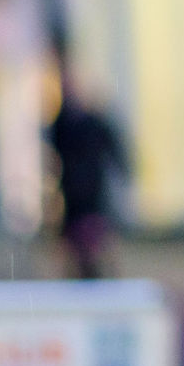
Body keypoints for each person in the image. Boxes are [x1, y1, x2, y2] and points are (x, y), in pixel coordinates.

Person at [47, 69, 129, 279]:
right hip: (74, 197)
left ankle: (107, 281)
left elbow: (114, 151)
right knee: (75, 246)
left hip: (92, 195)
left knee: (97, 243)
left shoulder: (94, 123)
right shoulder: (62, 124)